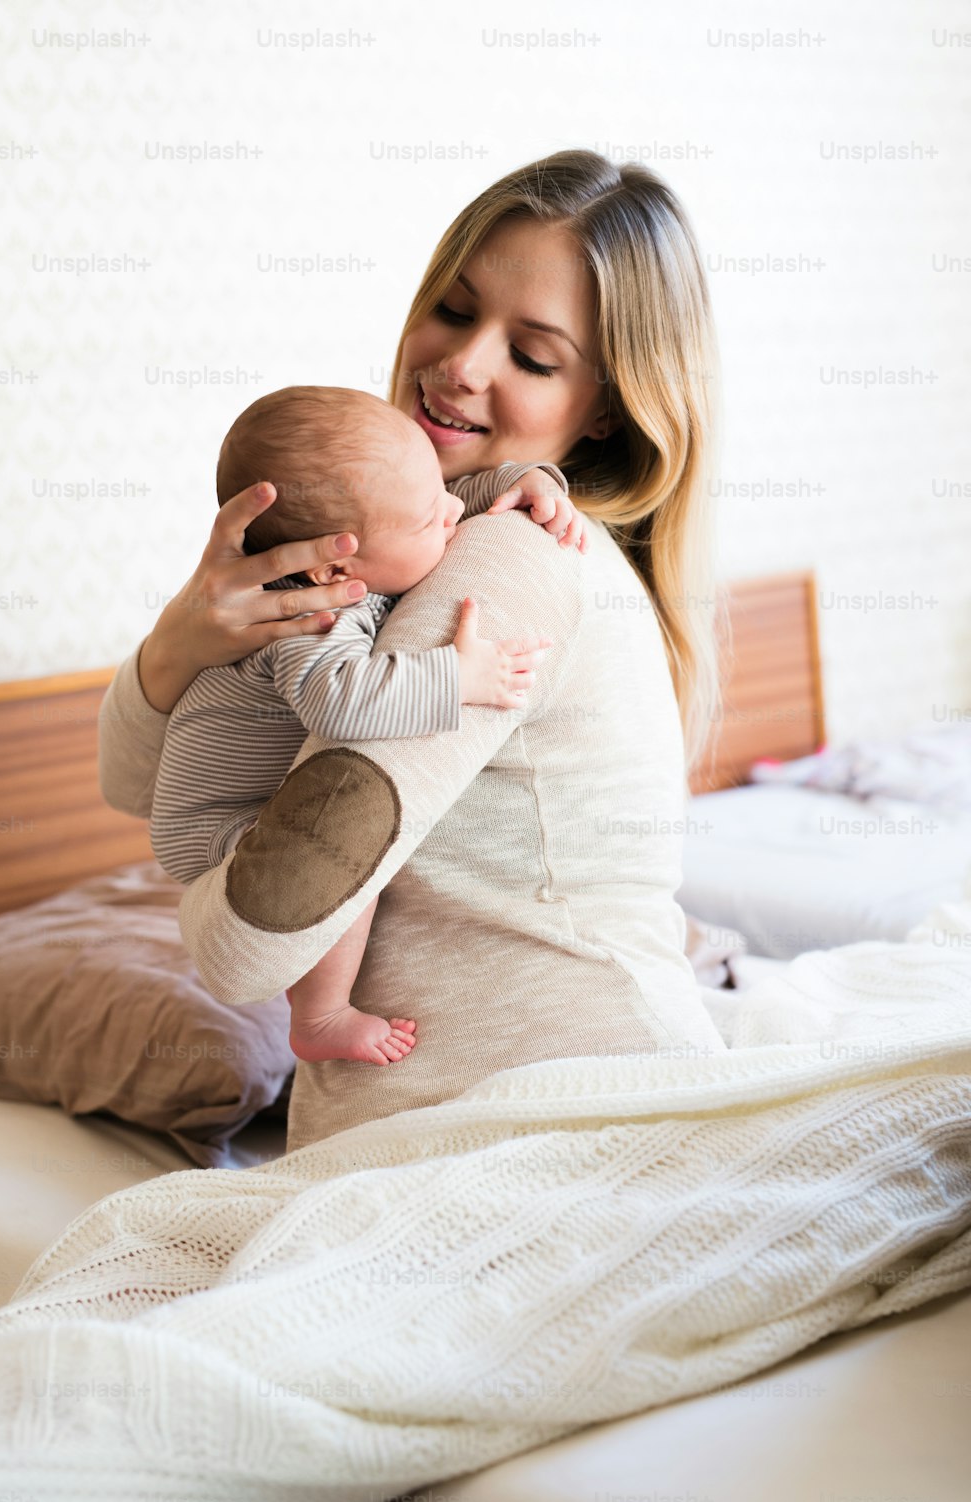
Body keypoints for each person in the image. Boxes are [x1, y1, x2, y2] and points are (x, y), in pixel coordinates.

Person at [99, 149, 731, 1152]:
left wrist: (212, 883)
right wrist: (185, 636)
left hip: (531, 1122)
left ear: (606, 404)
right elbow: (134, 782)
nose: (462, 365)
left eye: (531, 355)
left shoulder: (506, 562)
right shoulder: (419, 537)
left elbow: (244, 943)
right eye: (452, 308)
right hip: (465, 1112)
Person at [149, 383, 585, 1065]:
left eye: (443, 491)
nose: (450, 510)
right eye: (427, 519)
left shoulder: (375, 539)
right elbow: (343, 704)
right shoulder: (302, 621)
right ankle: (318, 1017)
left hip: (240, 795)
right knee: (347, 859)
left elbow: (432, 502)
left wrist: (521, 482)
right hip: (215, 821)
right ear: (334, 567)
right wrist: (461, 677)